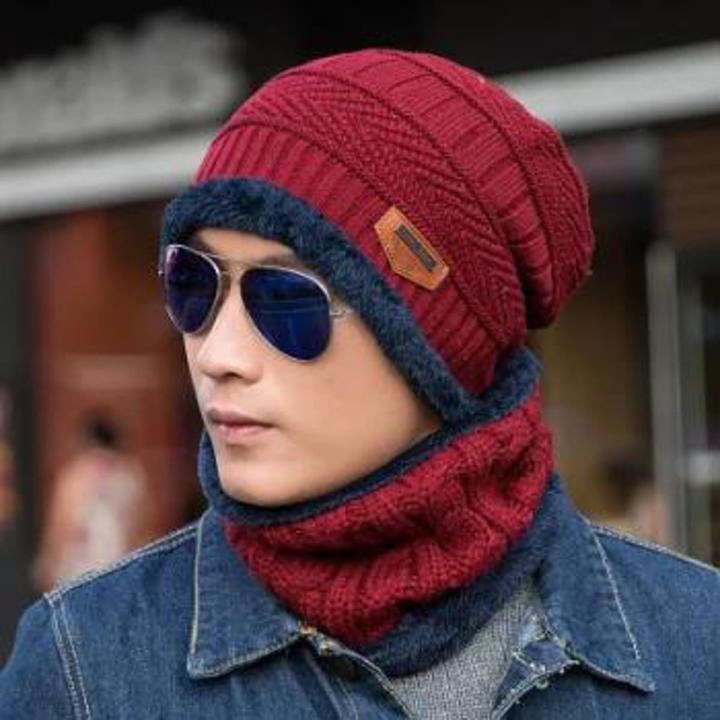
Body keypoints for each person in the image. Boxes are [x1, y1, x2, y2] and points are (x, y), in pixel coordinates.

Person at [1, 48, 718, 719]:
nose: (218, 353)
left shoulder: (696, 645)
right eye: (194, 283)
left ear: (441, 348)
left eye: (287, 299)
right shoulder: (83, 666)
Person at [30, 411, 151, 592]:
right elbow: (141, 524)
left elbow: (62, 525)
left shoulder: (78, 473)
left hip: (80, 571)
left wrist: (49, 562)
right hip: (120, 566)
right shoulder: (131, 474)